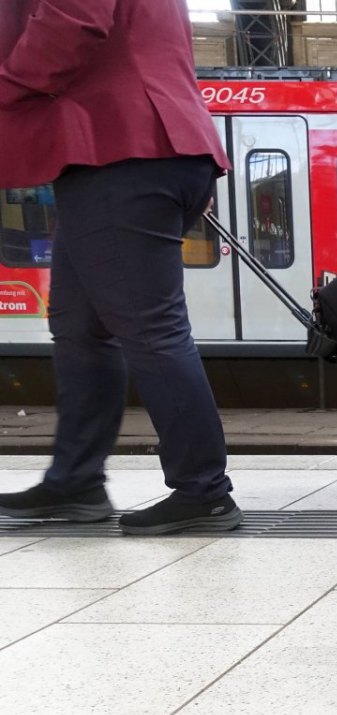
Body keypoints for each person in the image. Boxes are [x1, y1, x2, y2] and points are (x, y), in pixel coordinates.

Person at [0, 0, 242, 535]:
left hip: (120, 148)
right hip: (131, 148)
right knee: (80, 327)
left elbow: (74, 18)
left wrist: (8, 84)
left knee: (150, 328)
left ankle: (203, 491)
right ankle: (76, 482)